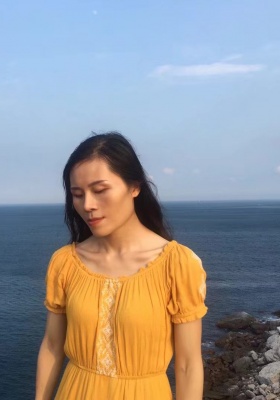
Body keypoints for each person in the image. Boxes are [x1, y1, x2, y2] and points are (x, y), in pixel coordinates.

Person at [35, 132, 208, 400]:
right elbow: (52, 346)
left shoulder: (177, 264)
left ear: (134, 187)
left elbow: (188, 365)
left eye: (100, 190)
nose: (88, 205)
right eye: (77, 195)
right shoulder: (65, 262)